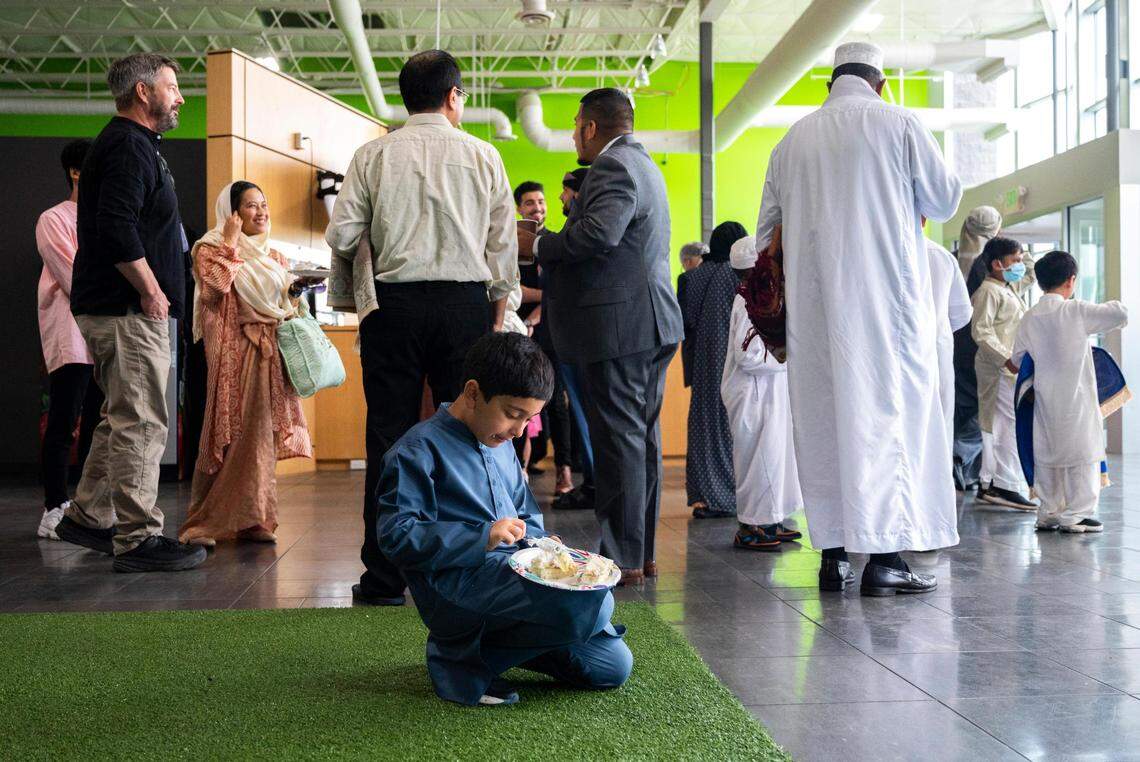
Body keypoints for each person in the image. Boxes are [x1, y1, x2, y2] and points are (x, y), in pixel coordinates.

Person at [753, 42, 962, 596]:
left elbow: (764, 233)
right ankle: (887, 559)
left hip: (816, 318)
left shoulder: (792, 139)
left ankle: (835, 558)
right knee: (887, 426)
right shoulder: (899, 122)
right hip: (887, 311)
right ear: (879, 81)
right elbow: (943, 201)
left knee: (826, 425)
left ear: (831, 83)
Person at [327, 50, 517, 607]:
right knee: (468, 434)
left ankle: (384, 578)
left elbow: (341, 235)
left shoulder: (372, 155)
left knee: (387, 435)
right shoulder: (484, 156)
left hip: (395, 307)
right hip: (465, 306)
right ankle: (468, 563)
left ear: (405, 97)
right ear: (454, 95)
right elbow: (502, 249)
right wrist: (497, 317)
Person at [378, 332, 632, 706]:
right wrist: (482, 536)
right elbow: (396, 536)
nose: (518, 430)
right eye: (513, 414)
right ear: (472, 392)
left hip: (513, 582)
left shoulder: (500, 441)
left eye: (528, 419)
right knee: (594, 605)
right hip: (457, 588)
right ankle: (455, 659)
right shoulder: (417, 451)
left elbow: (526, 513)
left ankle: (500, 649)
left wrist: (545, 546)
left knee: (612, 665)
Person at [521, 88, 684, 586]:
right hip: (645, 324)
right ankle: (640, 553)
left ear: (591, 128)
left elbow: (598, 235)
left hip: (622, 330)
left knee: (619, 445)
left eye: (574, 125)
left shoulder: (614, 168)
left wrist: (539, 241)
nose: (572, 134)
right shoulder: (643, 164)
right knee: (638, 443)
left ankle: (621, 557)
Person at [53, 53, 207, 572]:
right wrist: (150, 291)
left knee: (120, 417)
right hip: (125, 309)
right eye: (172, 86)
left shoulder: (131, 145)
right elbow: (118, 226)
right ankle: (138, 537)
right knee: (141, 420)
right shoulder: (125, 146)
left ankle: (88, 515)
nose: (181, 96)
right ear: (143, 92)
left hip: (116, 308)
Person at [177, 182, 314, 546]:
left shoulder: (275, 257)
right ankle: (204, 522)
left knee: (262, 437)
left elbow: (286, 307)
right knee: (233, 436)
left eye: (264, 204)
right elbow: (214, 290)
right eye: (251, 206)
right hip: (235, 355)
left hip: (271, 356)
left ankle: (256, 519)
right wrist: (230, 243)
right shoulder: (210, 248)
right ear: (233, 213)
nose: (261, 212)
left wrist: (297, 291)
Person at [1011, 251, 1128, 533]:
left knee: (1048, 453)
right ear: (1071, 280)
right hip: (1077, 400)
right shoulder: (1075, 310)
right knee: (1083, 452)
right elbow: (1119, 313)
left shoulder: (1030, 317)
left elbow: (1017, 359)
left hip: (1045, 400)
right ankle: (1077, 513)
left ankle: (1049, 511)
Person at [35, 138, 105, 540]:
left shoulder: (104, 217)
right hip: (71, 334)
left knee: (100, 423)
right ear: (76, 172)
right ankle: (53, 506)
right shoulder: (53, 219)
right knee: (64, 421)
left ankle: (86, 506)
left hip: (105, 335)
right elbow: (73, 274)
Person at [723, 236, 803, 551]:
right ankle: (751, 525)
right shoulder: (747, 300)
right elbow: (749, 356)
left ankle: (770, 519)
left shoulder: (759, 295)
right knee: (758, 459)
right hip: (753, 392)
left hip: (768, 390)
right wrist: (789, 358)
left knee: (774, 455)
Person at [512, 179, 573, 494]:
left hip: (552, 332)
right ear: (518, 209)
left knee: (557, 403)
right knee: (517, 399)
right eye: (529, 203)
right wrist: (545, 297)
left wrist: (541, 303)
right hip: (518, 333)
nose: (537, 208)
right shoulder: (510, 244)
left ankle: (564, 471)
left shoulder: (557, 242)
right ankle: (517, 470)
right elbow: (515, 292)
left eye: (541, 201)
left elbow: (566, 290)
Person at [681, 222, 745, 519]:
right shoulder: (739, 276)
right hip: (737, 364)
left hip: (704, 365)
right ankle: (737, 496)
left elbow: (687, 320)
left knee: (704, 429)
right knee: (736, 430)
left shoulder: (691, 279)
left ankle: (705, 498)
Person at [971, 237, 1035, 510]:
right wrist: (1006, 359)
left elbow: (1031, 272)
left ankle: (994, 482)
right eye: (1015, 261)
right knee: (1001, 425)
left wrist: (1018, 249)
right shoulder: (988, 291)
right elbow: (981, 331)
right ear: (997, 264)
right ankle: (1001, 484)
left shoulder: (1008, 287)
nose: (1020, 265)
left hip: (1010, 369)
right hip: (997, 369)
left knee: (1004, 424)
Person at [549, 168, 598, 511]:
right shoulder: (576, 231)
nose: (561, 198)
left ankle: (596, 484)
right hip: (571, 337)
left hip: (582, 338)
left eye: (566, 191)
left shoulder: (582, 234)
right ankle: (593, 482)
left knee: (587, 415)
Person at [951, 207, 1002, 491]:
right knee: (981, 408)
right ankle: (961, 457)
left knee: (960, 406)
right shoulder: (991, 266)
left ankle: (962, 465)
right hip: (981, 348)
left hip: (953, 346)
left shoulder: (953, 259)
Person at [926, 233, 972, 450]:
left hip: (885, 355)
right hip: (935, 350)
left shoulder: (874, 247)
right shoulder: (941, 256)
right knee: (937, 422)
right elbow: (962, 314)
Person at [677, 241, 709, 389]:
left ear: (687, 261)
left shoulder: (686, 278)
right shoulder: (717, 274)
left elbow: (684, 316)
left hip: (695, 344)